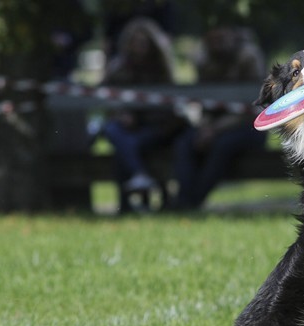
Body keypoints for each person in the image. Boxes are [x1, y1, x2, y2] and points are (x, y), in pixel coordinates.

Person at [170, 27, 267, 210]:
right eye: (212, 40)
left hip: (248, 127)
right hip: (213, 127)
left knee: (221, 146)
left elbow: (250, 110)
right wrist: (205, 127)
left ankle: (193, 200)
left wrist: (214, 130)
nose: (217, 44)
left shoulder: (249, 59)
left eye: (221, 38)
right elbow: (204, 104)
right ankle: (183, 199)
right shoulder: (205, 63)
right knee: (184, 142)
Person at [101, 17, 185, 211]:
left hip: (157, 127)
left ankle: (139, 182)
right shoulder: (118, 68)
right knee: (114, 132)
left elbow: (169, 106)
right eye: (135, 42)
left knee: (127, 146)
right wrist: (121, 114)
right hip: (128, 128)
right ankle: (138, 179)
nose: (139, 47)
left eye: (143, 43)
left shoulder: (162, 69)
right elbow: (104, 98)